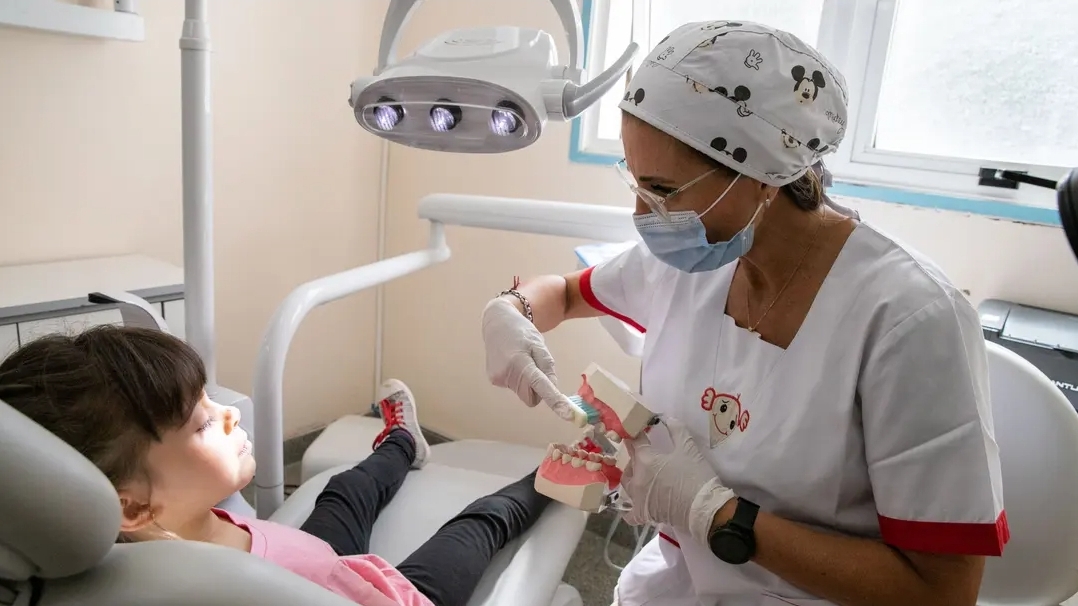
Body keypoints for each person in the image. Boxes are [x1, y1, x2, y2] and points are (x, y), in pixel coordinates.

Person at [481, 20, 1005, 606]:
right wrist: (512, 310)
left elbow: (941, 592)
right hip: (677, 588)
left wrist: (718, 514)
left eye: (663, 189)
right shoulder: (690, 258)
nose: (640, 213)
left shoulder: (909, 320)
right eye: (634, 180)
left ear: (764, 176)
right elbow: (568, 292)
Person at [0, 326, 549, 606]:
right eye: (201, 423)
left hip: (301, 554)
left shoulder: (164, 527)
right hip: (358, 590)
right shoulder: (225, 588)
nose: (231, 414)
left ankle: (401, 443)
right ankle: (560, 472)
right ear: (134, 505)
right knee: (477, 524)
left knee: (342, 491)